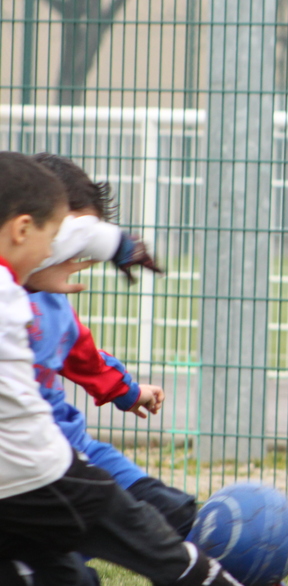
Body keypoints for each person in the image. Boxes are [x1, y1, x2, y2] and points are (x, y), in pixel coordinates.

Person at [0, 151, 239, 586]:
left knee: (76, 573)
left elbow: (85, 354)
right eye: (55, 236)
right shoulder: (9, 290)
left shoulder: (41, 296)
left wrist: (119, 245)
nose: (63, 250)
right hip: (41, 469)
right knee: (161, 552)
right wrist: (119, 245)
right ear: (22, 229)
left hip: (46, 468)